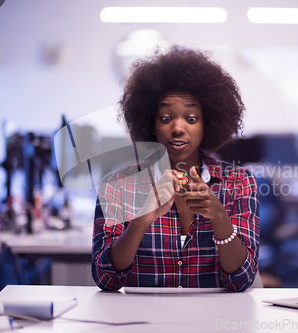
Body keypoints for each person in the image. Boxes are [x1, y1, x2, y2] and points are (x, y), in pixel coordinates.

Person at [92, 46, 260, 291]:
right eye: (166, 118)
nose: (179, 128)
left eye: (191, 119)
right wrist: (139, 222)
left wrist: (220, 218)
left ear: (208, 124)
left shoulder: (239, 182)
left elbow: (241, 280)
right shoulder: (117, 185)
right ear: (150, 124)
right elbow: (107, 279)